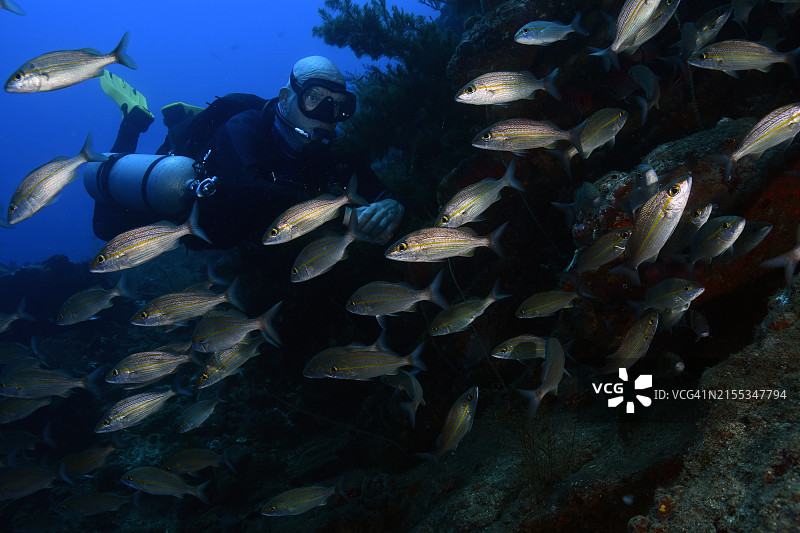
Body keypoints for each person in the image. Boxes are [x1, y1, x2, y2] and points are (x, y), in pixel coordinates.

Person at [90, 56, 404, 250]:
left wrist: (391, 204)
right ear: (286, 98)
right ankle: (133, 120)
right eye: (315, 98)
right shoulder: (244, 128)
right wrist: (342, 214)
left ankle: (183, 117)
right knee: (105, 228)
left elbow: (375, 187)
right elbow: (247, 189)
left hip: (240, 231)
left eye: (339, 105)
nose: (327, 114)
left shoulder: (331, 147)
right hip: (189, 198)